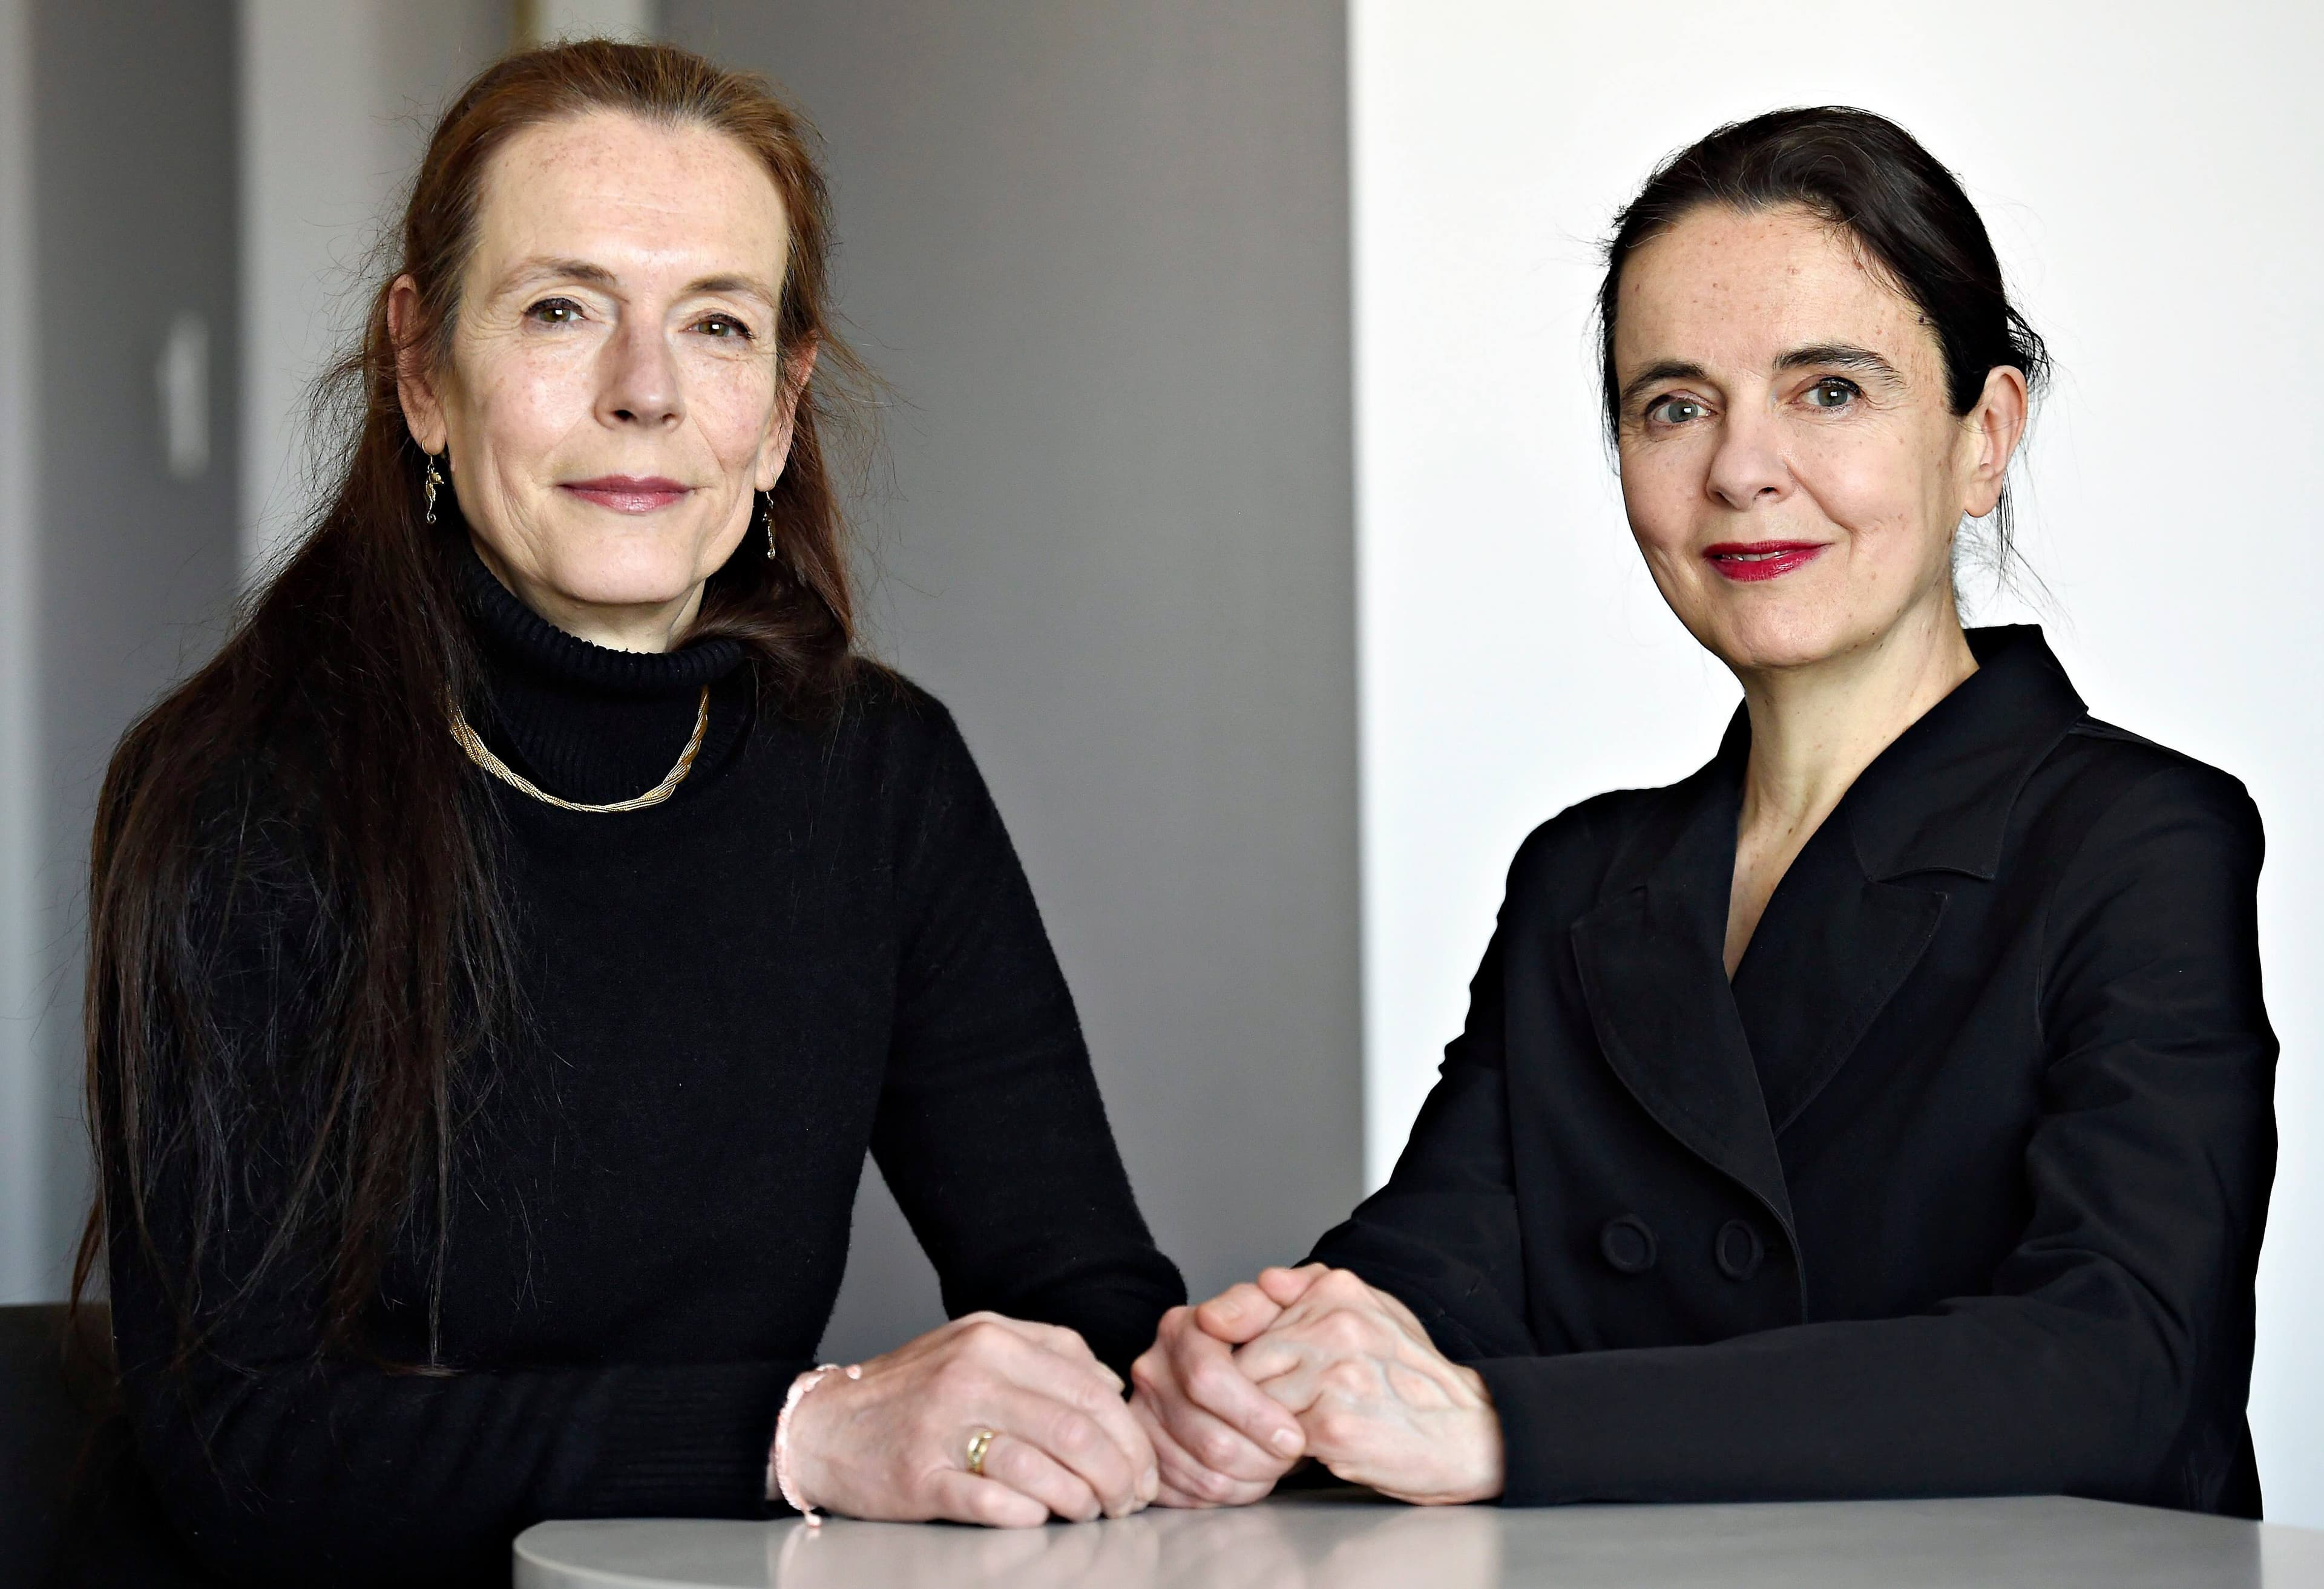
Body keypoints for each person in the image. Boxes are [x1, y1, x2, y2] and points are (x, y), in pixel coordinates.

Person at [79, 42, 1182, 1585]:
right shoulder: (236, 788)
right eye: (560, 310)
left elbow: (1084, 1296)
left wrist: (1222, 1383)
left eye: (716, 324)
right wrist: (794, 1435)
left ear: (781, 408)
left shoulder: (877, 772)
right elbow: (244, 1444)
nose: (646, 391)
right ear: (422, 370)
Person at [1131, 106, 2276, 1516]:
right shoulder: (1585, 876)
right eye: (1674, 403)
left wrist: (1499, 1428)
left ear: (1984, 436)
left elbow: (2121, 1366)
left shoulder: (2140, 839)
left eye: (1831, 391)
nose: (1739, 468)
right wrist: (1262, 1369)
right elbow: (1436, 1270)